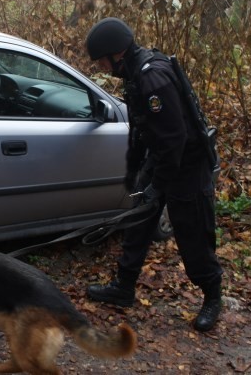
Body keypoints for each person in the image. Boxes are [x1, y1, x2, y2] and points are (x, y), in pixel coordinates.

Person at [84, 17, 223, 332]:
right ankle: (123, 286)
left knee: (192, 234)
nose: (102, 67)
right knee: (138, 219)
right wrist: (135, 173)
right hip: (159, 160)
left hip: (186, 166)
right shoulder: (135, 75)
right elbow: (142, 131)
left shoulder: (152, 80)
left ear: (116, 53)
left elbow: (173, 141)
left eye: (102, 60)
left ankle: (212, 296)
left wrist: (157, 187)